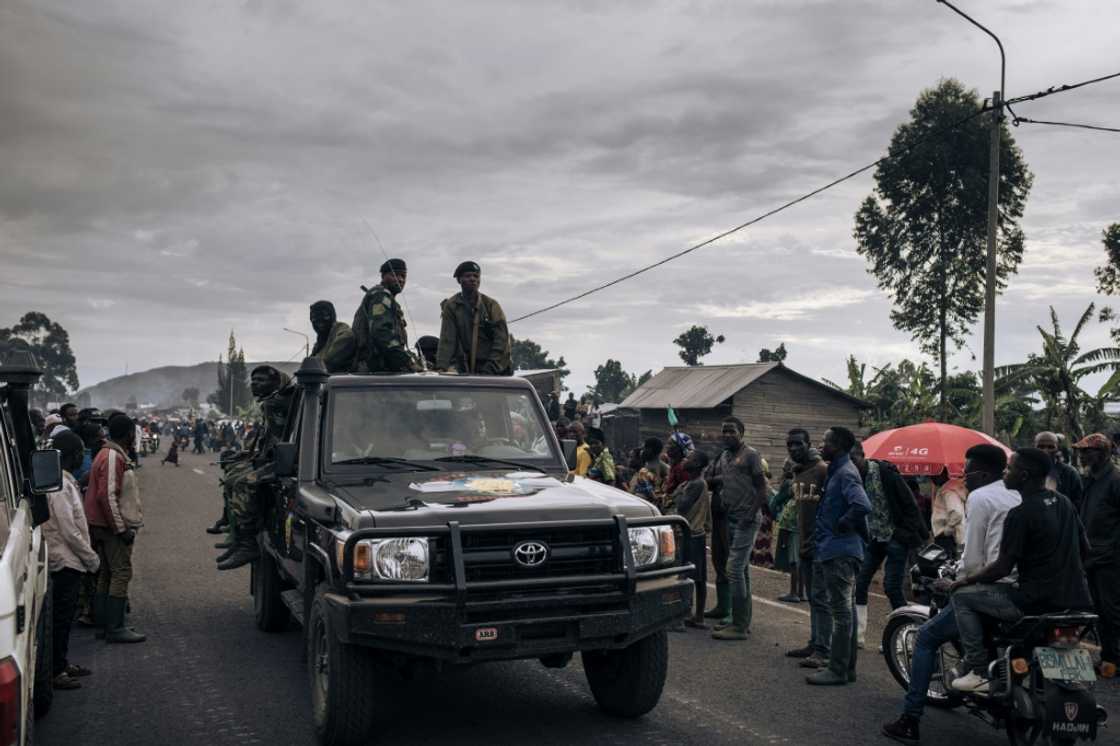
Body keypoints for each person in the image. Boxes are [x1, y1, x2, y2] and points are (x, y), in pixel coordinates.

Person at [881, 443, 1019, 742]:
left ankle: (910, 718)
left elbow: (972, 558)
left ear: (983, 473)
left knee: (928, 637)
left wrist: (957, 578)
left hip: (992, 586)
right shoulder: (1020, 494)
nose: (964, 478)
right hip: (1026, 589)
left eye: (967, 472)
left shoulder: (981, 497)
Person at [949, 448, 1093, 693]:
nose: (1005, 473)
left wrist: (962, 581)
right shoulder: (1064, 502)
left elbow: (1001, 568)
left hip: (1035, 603)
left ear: (1024, 475)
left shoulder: (1020, 514)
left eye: (1010, 469)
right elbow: (1086, 550)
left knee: (962, 597)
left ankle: (978, 670)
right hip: (1076, 602)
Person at [805, 426, 870, 686]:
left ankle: (838, 669)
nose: (822, 446)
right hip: (836, 549)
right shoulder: (839, 470)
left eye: (827, 442)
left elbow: (862, 504)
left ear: (840, 446)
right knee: (847, 611)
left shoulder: (845, 473)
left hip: (840, 551)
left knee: (841, 612)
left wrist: (844, 522)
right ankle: (846, 668)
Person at [851, 441, 929, 645]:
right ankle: (857, 636)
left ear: (862, 455)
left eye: (853, 458)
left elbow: (910, 505)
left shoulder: (886, 473)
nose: (851, 464)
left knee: (892, 587)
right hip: (874, 537)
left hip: (895, 537)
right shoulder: (852, 478)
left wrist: (903, 535)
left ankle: (904, 637)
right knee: (860, 582)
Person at [217, 366, 294, 570]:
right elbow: (267, 440)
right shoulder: (269, 403)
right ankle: (236, 534)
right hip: (271, 457)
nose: (255, 384)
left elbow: (279, 441)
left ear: (276, 383)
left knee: (245, 482)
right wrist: (246, 454)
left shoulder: (278, 402)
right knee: (232, 475)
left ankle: (248, 543)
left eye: (261, 380)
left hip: (287, 460)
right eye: (253, 380)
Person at [42, 430, 100, 689]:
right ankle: (55, 671)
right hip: (65, 561)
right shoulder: (61, 485)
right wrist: (91, 559)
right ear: (71, 456)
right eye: (79, 454)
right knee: (61, 620)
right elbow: (69, 530)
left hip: (68, 559)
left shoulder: (64, 481)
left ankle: (61, 664)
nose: (82, 459)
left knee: (63, 620)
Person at [705, 416, 768, 641]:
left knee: (733, 569)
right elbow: (722, 481)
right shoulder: (725, 457)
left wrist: (749, 515)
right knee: (741, 570)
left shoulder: (751, 455)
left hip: (747, 520)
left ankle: (739, 626)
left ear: (742, 432)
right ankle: (741, 620)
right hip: (731, 518)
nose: (727, 435)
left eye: (732, 431)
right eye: (725, 431)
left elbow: (763, 490)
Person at [84, 413, 145, 644]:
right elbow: (107, 496)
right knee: (121, 572)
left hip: (102, 524)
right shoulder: (111, 456)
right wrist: (121, 529)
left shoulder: (109, 453)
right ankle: (115, 627)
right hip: (109, 527)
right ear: (129, 434)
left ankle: (104, 624)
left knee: (107, 574)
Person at [1073, 433, 1120, 678]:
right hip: (1093, 556)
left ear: (1102, 454)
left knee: (1111, 611)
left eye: (1086, 452)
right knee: (1099, 611)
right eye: (1080, 452)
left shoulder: (1114, 480)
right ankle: (1109, 657)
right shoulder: (1092, 479)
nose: (1081, 456)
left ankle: (1114, 659)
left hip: (1109, 560)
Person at [783, 429, 830, 664]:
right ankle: (815, 642)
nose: (793, 448)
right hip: (804, 543)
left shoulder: (822, 470)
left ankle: (824, 649)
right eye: (789, 444)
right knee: (813, 597)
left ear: (808, 444)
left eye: (798, 444)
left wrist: (818, 540)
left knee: (822, 598)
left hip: (820, 545)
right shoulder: (798, 472)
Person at [436, 261, 512, 375]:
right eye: (467, 276)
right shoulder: (452, 306)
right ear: (459, 280)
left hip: (494, 368)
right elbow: (447, 341)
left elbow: (502, 341)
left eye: (476, 276)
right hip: (465, 368)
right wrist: (441, 368)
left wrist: (490, 368)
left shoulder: (490, 305)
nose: (473, 279)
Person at [350, 258, 420, 373]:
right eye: (395, 275)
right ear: (383, 276)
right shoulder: (380, 295)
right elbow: (381, 331)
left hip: (381, 368)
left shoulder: (388, 300)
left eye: (403, 276)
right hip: (373, 369)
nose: (400, 280)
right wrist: (406, 361)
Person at [672, 449, 711, 629]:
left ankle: (683, 617)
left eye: (690, 458)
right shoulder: (693, 483)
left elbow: (682, 505)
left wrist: (678, 491)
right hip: (695, 533)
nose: (686, 459)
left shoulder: (696, 484)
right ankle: (697, 616)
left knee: (686, 575)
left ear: (698, 465)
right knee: (697, 576)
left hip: (690, 534)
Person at [1035, 431, 1084, 511]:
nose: (1045, 451)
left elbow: (1078, 504)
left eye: (1050, 447)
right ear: (1034, 447)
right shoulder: (1027, 472)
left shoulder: (1070, 473)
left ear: (1057, 449)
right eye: (1041, 447)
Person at [309, 300, 356, 373]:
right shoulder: (322, 340)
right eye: (314, 319)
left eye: (324, 317)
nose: (319, 323)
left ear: (332, 316)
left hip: (341, 380)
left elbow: (325, 364)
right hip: (324, 380)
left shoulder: (344, 335)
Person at [930, 468, 966, 555]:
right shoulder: (948, 488)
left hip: (947, 536)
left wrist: (947, 531)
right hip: (947, 535)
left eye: (933, 476)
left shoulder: (948, 490)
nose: (932, 479)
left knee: (945, 564)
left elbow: (957, 513)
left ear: (942, 474)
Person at [628, 437, 669, 509]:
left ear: (650, 450)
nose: (642, 451)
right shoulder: (646, 465)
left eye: (644, 448)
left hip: (649, 506)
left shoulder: (662, 467)